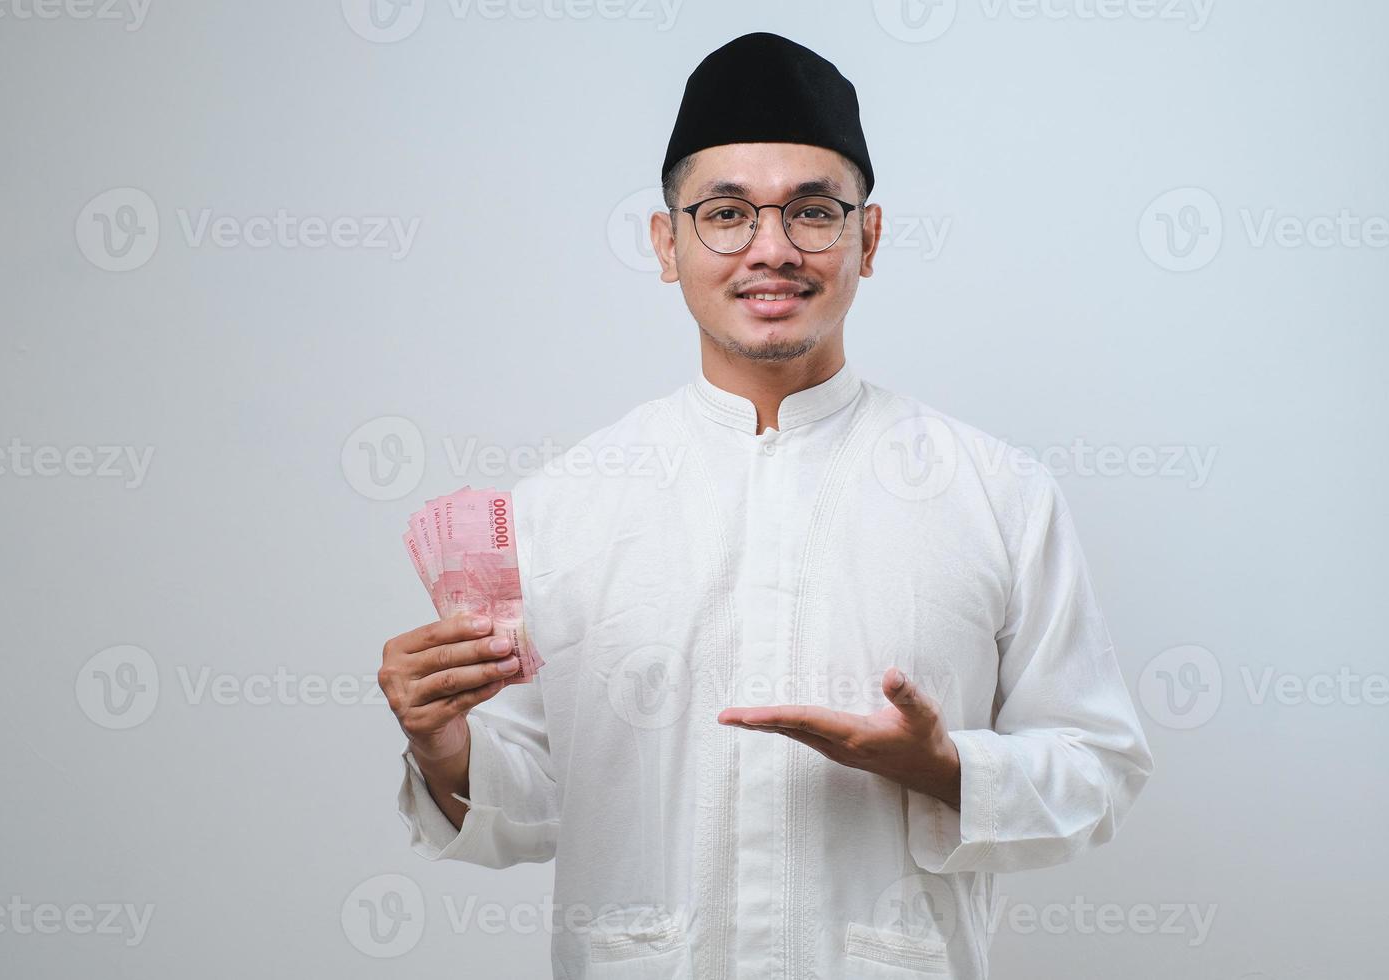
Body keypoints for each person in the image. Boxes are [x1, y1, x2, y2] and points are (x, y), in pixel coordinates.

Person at [378, 31, 1154, 980]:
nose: (772, 250)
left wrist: (947, 768)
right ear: (668, 243)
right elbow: (536, 804)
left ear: (868, 238)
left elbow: (1100, 768)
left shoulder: (995, 494)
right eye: (727, 213)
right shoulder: (566, 508)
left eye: (815, 213)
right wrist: (446, 745)